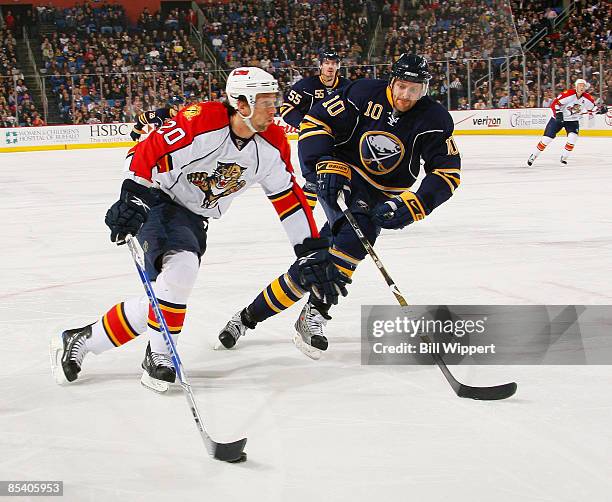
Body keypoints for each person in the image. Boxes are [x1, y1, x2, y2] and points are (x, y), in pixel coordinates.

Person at [50, 67, 349, 392]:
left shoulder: (273, 143)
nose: (273, 110)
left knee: (166, 295)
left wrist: (310, 251)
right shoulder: (203, 120)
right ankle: (159, 356)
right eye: (265, 102)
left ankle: (85, 339)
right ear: (242, 104)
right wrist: (132, 197)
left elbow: (289, 200)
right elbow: (150, 150)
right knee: (181, 271)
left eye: (272, 101)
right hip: (159, 198)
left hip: (194, 216)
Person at [216, 54, 462, 360]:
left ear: (425, 88)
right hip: (344, 177)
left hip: (383, 193)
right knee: (355, 240)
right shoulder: (362, 94)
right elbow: (316, 122)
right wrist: (323, 163)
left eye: (415, 90)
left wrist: (416, 204)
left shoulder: (435, 119)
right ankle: (310, 314)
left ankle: (247, 317)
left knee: (323, 262)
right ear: (391, 80)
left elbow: (446, 173)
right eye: (401, 86)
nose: (405, 96)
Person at [279, 51, 350, 209]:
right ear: (320, 65)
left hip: (340, 141)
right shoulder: (306, 86)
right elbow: (286, 108)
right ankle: (305, 219)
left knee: (342, 181)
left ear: (338, 66)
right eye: (327, 63)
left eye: (334, 63)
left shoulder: (346, 86)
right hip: (312, 139)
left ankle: (344, 221)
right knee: (312, 182)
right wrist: (304, 123)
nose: (330, 66)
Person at [527, 79, 607, 166]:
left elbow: (592, 109)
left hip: (572, 120)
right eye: (580, 85)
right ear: (576, 87)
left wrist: (600, 110)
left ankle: (564, 158)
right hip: (557, 119)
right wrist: (558, 113)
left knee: (573, 138)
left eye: (583, 86)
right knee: (547, 139)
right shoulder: (568, 94)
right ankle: (533, 155)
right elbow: (555, 103)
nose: (582, 87)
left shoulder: (587, 98)